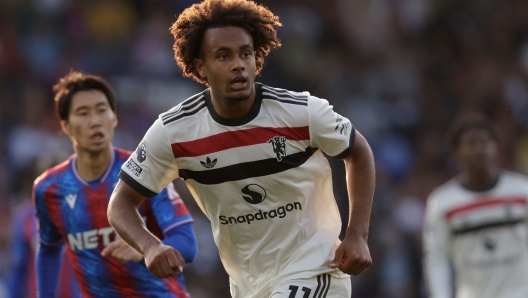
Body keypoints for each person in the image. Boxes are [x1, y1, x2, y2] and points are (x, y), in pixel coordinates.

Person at [108, 0, 376, 297]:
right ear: (201, 67)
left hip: (316, 268)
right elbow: (120, 202)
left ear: (256, 59)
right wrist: (149, 247)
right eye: (223, 56)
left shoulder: (301, 113)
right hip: (247, 285)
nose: (238, 64)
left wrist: (358, 234)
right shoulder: (174, 133)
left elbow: (358, 151)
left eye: (245, 53)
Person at [33, 70, 197, 297]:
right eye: (83, 113)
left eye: (102, 110)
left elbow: (188, 243)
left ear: (114, 117)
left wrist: (145, 247)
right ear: (66, 125)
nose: (95, 121)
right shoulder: (49, 188)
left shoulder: (145, 171)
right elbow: (49, 250)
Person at [423, 113, 528, 298]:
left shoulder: (522, 192)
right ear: (456, 153)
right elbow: (436, 259)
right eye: (471, 143)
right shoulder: (442, 202)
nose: (480, 149)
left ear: (496, 148)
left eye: (486, 143)